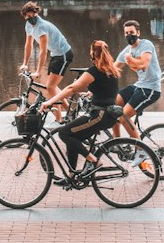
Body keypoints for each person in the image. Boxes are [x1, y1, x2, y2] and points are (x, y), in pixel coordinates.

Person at [49, 39, 126, 172]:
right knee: (72, 136)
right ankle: (72, 174)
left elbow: (71, 88)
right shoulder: (111, 70)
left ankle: (93, 160)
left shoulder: (94, 71)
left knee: (64, 133)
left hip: (99, 115)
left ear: (92, 54)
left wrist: (50, 101)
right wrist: (91, 93)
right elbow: (106, 89)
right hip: (108, 115)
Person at [19, 1, 73, 117]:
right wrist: (24, 63)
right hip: (55, 54)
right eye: (28, 16)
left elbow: (43, 52)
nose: (31, 18)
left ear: (36, 13)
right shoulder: (28, 25)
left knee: (50, 87)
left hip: (63, 54)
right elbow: (28, 45)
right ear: (24, 16)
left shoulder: (41, 27)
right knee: (52, 86)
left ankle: (59, 119)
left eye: (33, 15)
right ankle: (70, 112)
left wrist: (38, 71)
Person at [114, 19, 163, 131]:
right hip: (139, 86)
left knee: (123, 116)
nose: (129, 35)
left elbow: (143, 65)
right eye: (126, 33)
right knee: (112, 108)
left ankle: (139, 146)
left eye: (131, 32)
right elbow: (112, 69)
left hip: (151, 89)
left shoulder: (146, 45)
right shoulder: (127, 50)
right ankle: (116, 144)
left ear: (138, 33)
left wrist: (129, 58)